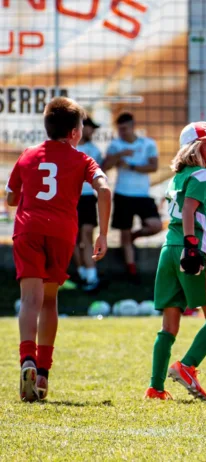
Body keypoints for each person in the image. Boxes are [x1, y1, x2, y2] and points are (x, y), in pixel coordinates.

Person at [7, 97, 111, 402]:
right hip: (61, 233)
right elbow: (103, 188)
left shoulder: (27, 155)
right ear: (76, 132)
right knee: (49, 301)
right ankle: (43, 372)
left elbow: (12, 197)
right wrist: (102, 233)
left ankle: (27, 357)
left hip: (28, 230)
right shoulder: (81, 160)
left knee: (29, 299)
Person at [144, 121, 206, 400]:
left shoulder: (177, 176)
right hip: (189, 250)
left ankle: (155, 387)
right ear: (193, 148)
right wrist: (192, 244)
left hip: (168, 249)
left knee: (169, 324)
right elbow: (190, 208)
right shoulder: (202, 175)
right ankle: (187, 366)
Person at [102, 113, 162, 283]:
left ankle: (134, 237)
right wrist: (119, 155)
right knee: (124, 232)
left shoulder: (147, 143)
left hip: (142, 194)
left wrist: (132, 166)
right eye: (119, 129)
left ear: (132, 126)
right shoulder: (115, 145)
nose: (122, 132)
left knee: (155, 225)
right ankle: (131, 270)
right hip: (122, 193)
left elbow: (153, 166)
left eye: (124, 128)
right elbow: (104, 167)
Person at [73, 117, 104, 291]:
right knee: (73, 238)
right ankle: (82, 273)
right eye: (90, 128)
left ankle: (91, 276)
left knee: (87, 234)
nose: (92, 132)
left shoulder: (94, 150)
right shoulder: (69, 147)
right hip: (71, 197)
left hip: (87, 197)